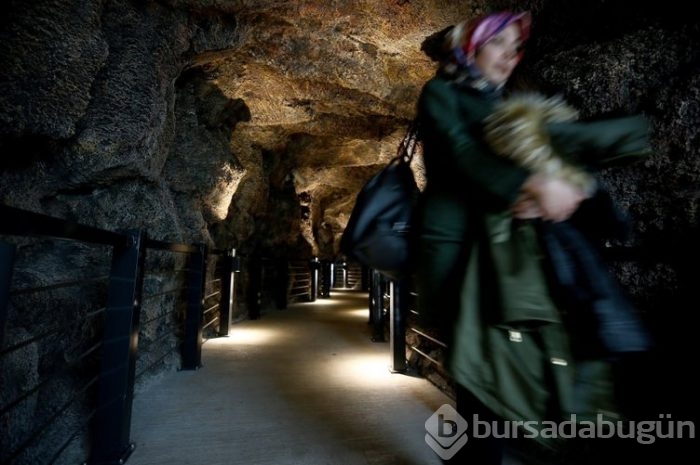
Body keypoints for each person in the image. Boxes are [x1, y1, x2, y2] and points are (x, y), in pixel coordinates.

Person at [413, 10, 653, 464]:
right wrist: (526, 187)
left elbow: (550, 148)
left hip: (505, 250)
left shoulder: (509, 102)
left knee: (499, 358)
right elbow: (463, 153)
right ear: (470, 46)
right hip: (456, 248)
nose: (509, 54)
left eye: (515, 46)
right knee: (474, 362)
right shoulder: (441, 92)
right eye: (498, 42)